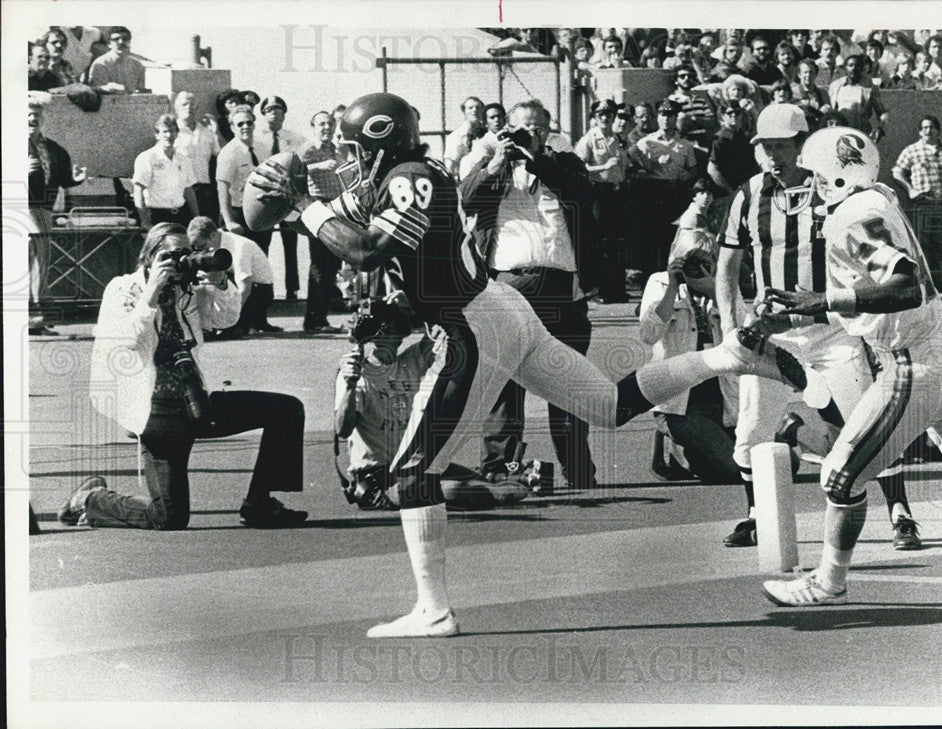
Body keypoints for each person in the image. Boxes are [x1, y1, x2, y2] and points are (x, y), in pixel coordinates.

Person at [248, 91, 823, 638]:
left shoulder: (412, 179)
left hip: (473, 323)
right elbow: (266, 220)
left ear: (378, 144)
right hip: (500, 308)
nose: (349, 163)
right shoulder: (392, 181)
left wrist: (302, 204)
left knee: (410, 473)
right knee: (606, 407)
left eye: (355, 151)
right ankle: (729, 354)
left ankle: (433, 608)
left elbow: (367, 250)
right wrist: (273, 198)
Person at [760, 127, 942, 605]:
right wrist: (804, 309)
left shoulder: (852, 214)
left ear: (835, 178)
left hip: (914, 364)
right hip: (940, 350)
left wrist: (820, 300)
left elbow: (903, 286)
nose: (808, 187)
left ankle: (828, 581)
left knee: (840, 477)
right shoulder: (875, 198)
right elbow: (872, 296)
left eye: (814, 177)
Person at [716, 105, 919, 550]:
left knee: (865, 418)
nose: (771, 156)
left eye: (780, 146)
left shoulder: (836, 189)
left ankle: (899, 509)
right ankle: (756, 513)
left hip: (828, 324)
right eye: (764, 147)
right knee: (752, 425)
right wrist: (732, 329)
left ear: (804, 145)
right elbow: (727, 269)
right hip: (771, 329)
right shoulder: (747, 195)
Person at [59, 223, 307, 530]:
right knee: (168, 517)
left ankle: (260, 503)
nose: (179, 263)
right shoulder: (123, 288)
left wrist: (219, 283)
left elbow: (225, 319)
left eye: (185, 254)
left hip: (194, 400)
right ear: (148, 257)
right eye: (170, 255)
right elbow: (123, 343)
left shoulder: (189, 291)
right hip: (155, 409)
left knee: (286, 409)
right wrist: (150, 296)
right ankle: (92, 499)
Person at [463, 99, 600, 490]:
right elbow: (466, 198)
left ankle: (578, 470)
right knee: (504, 382)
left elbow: (581, 191)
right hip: (510, 283)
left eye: (539, 128)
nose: (531, 135)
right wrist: (496, 162)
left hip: (562, 287)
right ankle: (499, 467)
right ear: (505, 129)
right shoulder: (491, 163)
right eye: (522, 128)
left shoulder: (564, 163)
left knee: (569, 381)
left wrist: (537, 156)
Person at [334, 295, 533, 510]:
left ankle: (512, 486)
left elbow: (450, 331)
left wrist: (418, 303)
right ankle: (512, 489)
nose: (388, 333)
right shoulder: (357, 373)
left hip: (414, 466)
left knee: (478, 482)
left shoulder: (411, 361)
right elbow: (342, 430)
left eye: (390, 325)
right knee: (462, 490)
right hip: (380, 480)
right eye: (384, 327)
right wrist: (349, 385)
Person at [641, 183, 741, 483]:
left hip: (722, 402)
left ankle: (688, 453)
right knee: (736, 472)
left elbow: (747, 334)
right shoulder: (660, 283)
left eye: (706, 263)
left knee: (783, 464)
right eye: (692, 262)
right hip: (680, 403)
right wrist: (673, 288)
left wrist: (717, 290)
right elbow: (648, 333)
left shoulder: (721, 288)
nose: (699, 269)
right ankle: (679, 441)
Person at [27, 93, 87, 335]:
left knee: (38, 265)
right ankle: (35, 317)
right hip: (20, 209)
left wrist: (77, 179)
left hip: (42, 210)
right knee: (31, 265)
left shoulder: (52, 148)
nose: (33, 119)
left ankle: (37, 318)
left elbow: (63, 179)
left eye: (37, 115)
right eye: (29, 114)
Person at [892, 115, 942, 292]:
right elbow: (897, 172)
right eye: (925, 128)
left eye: (932, 127)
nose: (928, 131)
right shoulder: (912, 151)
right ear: (920, 131)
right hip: (921, 204)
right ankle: (923, 284)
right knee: (920, 244)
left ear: (938, 130)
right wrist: (909, 189)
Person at [629, 100, 698, 284]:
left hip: (675, 194)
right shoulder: (646, 142)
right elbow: (634, 170)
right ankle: (649, 290)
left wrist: (682, 174)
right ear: (657, 118)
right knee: (650, 244)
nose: (666, 119)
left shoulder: (685, 145)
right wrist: (653, 165)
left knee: (673, 243)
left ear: (676, 118)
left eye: (670, 115)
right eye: (662, 115)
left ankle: (672, 288)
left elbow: (693, 171)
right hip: (653, 194)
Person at [298, 110, 350, 332]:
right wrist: (318, 166)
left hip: (335, 207)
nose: (326, 128)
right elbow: (294, 172)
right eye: (321, 124)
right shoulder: (307, 149)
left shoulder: (334, 149)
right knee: (320, 263)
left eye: (329, 124)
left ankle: (321, 318)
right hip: (317, 207)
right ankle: (313, 319)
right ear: (313, 127)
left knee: (330, 265)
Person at [187, 216, 281, 337]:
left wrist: (231, 315)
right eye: (194, 247)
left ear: (213, 236)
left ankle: (237, 325)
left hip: (257, 291)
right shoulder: (217, 242)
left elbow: (245, 287)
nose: (198, 250)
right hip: (241, 285)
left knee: (230, 330)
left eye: (202, 246)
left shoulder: (238, 247)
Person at [575, 99, 629, 304]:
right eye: (601, 114)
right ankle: (601, 290)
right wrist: (603, 167)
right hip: (599, 193)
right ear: (595, 117)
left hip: (617, 193)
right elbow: (580, 167)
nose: (606, 118)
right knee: (601, 242)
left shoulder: (618, 140)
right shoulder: (589, 139)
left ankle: (617, 289)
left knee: (617, 242)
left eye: (609, 114)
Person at [256, 95, 307, 300]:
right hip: (266, 195)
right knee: (263, 243)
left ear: (284, 114)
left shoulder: (294, 138)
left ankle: (292, 289)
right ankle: (264, 290)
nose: (274, 114)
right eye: (269, 111)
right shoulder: (257, 138)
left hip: (287, 196)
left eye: (278, 111)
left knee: (290, 242)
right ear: (264, 114)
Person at [216, 105, 271, 249]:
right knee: (239, 260)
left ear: (254, 124)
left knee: (260, 256)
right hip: (237, 213)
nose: (245, 126)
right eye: (240, 124)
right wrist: (229, 221)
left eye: (249, 122)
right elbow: (223, 188)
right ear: (233, 128)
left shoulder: (263, 148)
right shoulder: (228, 153)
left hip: (260, 213)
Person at [131, 113, 199, 229]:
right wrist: (145, 222)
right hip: (157, 215)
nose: (169, 135)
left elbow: (188, 191)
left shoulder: (184, 160)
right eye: (165, 131)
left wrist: (196, 219)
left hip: (181, 215)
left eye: (172, 131)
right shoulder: (147, 158)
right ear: (157, 135)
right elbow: (138, 190)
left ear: (177, 134)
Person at [174, 92, 220, 224]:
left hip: (204, 191)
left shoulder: (207, 132)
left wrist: (216, 132)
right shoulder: (171, 133)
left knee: (205, 230)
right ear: (176, 108)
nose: (188, 107)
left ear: (197, 107)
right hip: (181, 190)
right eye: (184, 104)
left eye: (192, 104)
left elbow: (220, 155)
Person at [826, 54, 888, 140]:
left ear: (862, 68)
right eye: (850, 65)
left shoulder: (870, 88)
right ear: (845, 67)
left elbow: (882, 112)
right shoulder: (835, 86)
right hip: (839, 132)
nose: (853, 68)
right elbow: (830, 111)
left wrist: (880, 128)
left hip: (862, 133)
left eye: (857, 66)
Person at [707, 101, 758, 197]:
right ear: (723, 116)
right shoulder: (719, 139)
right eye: (729, 113)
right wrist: (731, 192)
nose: (734, 115)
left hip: (746, 188)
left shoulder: (741, 135)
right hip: (727, 193)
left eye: (737, 113)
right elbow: (712, 170)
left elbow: (755, 131)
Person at [87, 26, 146, 93]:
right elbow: (96, 92)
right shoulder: (100, 64)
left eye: (125, 39)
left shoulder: (138, 66)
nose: (121, 42)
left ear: (129, 42)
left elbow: (141, 92)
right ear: (109, 44)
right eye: (116, 39)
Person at [443, 96, 485, 177]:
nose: (475, 110)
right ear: (464, 112)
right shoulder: (455, 137)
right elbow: (449, 167)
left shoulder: (486, 135)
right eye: (470, 108)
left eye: (478, 107)